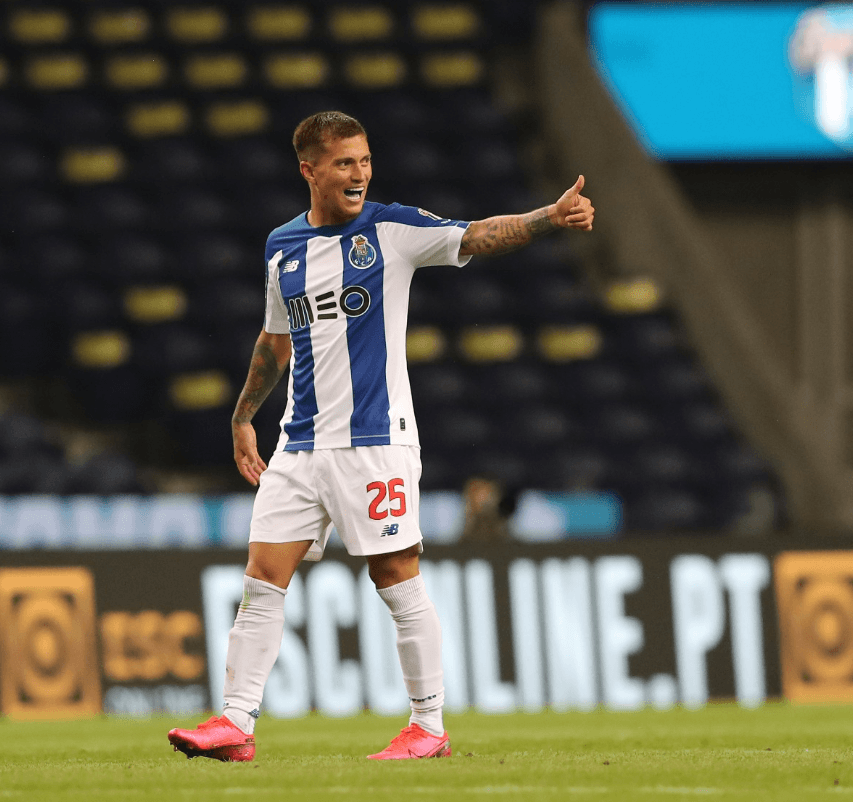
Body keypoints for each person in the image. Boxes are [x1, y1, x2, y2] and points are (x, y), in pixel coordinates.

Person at [168, 111, 594, 762]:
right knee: (262, 578)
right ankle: (235, 722)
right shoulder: (282, 246)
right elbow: (276, 339)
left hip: (374, 442)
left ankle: (428, 725)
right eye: (344, 162)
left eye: (365, 160)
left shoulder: (390, 230)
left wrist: (548, 218)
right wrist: (243, 415)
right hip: (299, 443)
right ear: (309, 170)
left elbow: (477, 235)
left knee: (395, 576)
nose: (359, 173)